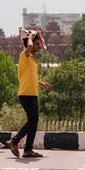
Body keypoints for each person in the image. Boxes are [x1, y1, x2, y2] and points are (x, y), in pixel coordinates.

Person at [7, 28, 51, 158]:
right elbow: (29, 45)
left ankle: (28, 150)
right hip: (25, 94)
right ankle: (14, 141)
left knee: (34, 121)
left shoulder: (31, 59)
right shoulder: (24, 55)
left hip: (33, 94)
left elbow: (29, 76)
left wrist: (40, 82)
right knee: (33, 120)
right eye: (37, 44)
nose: (39, 46)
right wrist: (30, 36)